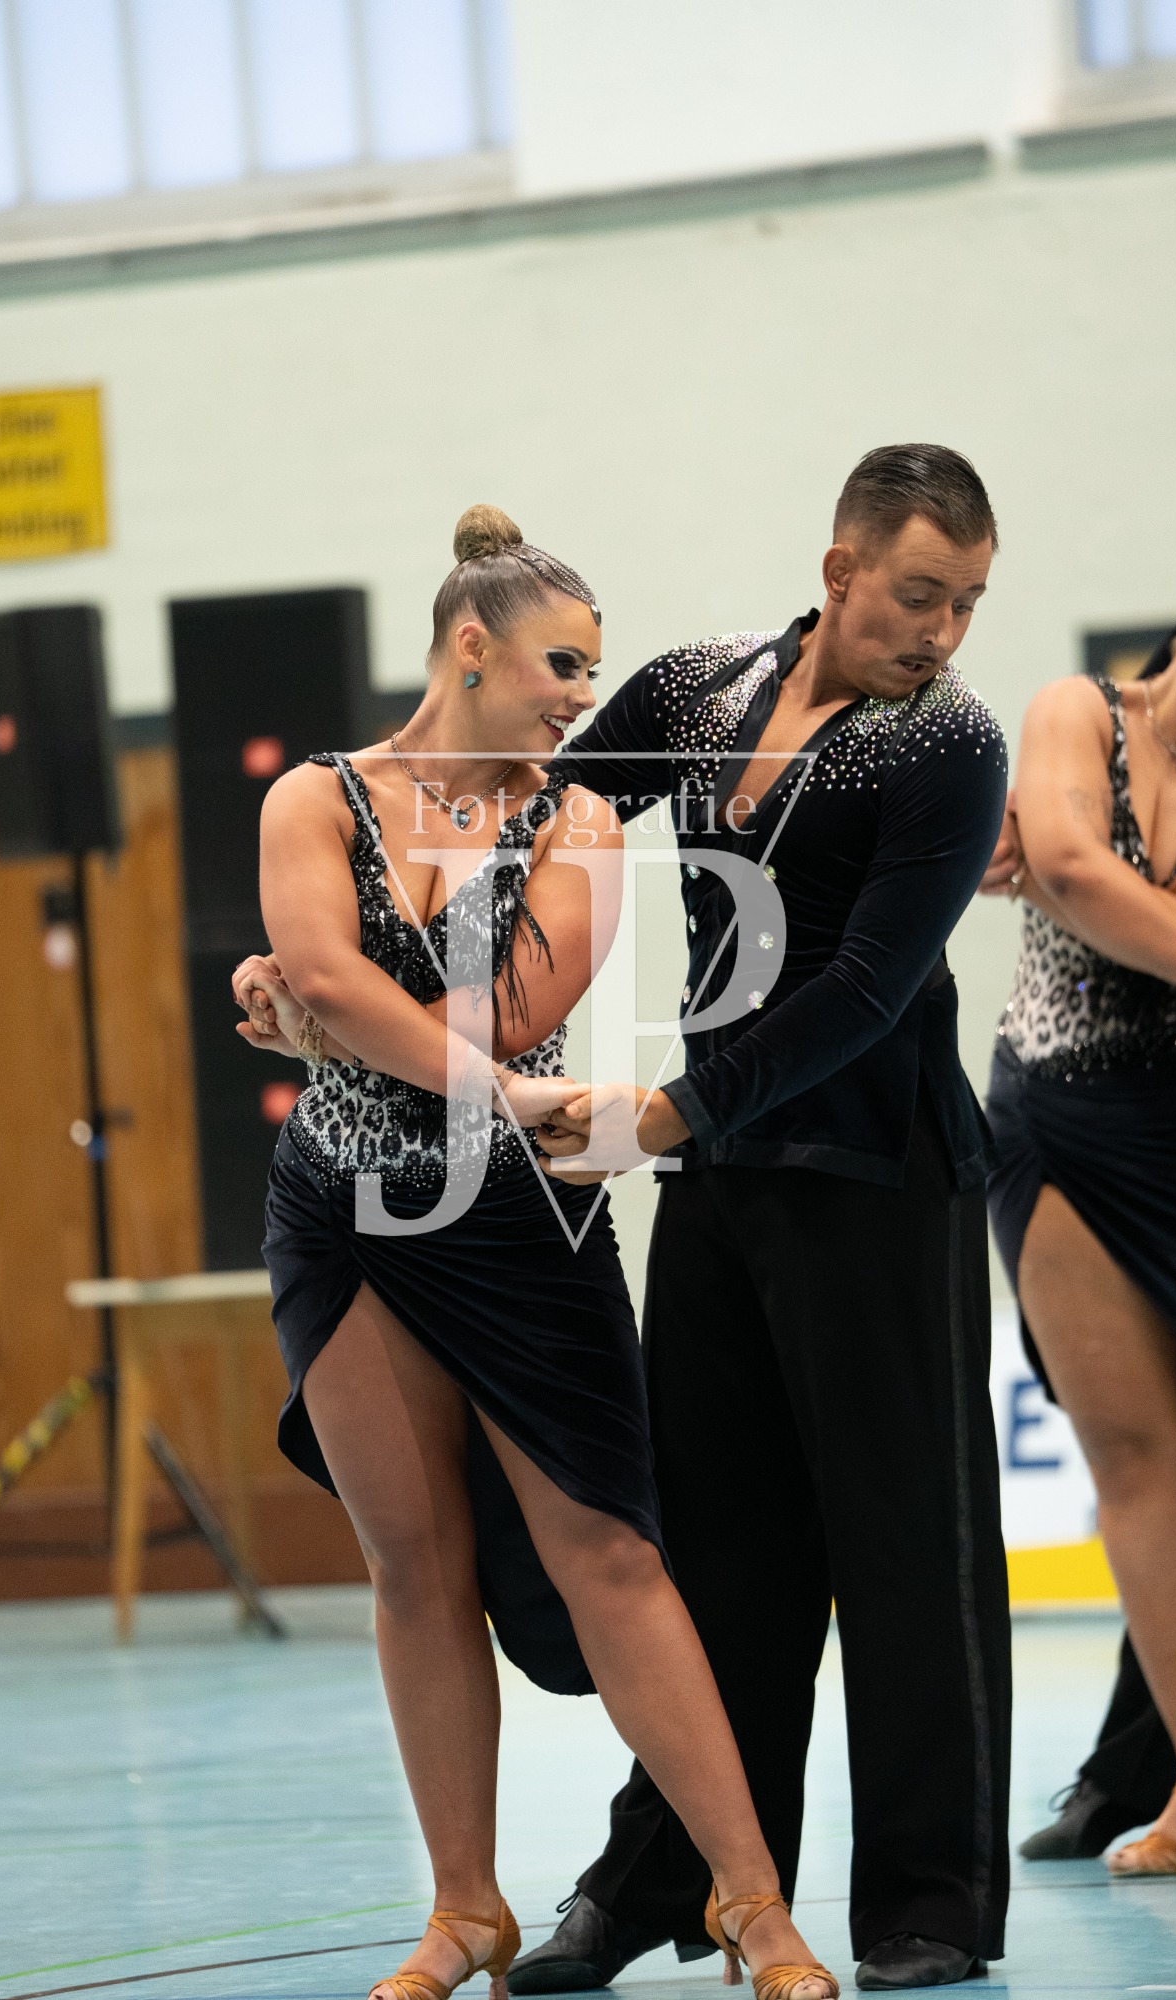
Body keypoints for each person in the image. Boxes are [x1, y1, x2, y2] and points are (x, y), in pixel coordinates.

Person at [235, 506, 838, 2000]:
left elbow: (499, 1012)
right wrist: (329, 1005)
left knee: (610, 1556)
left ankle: (750, 1900)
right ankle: (464, 1911)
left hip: (515, 1220)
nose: (583, 695)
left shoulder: (574, 822)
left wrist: (328, 1012)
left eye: (591, 669)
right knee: (412, 1564)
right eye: (562, 665)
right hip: (343, 1210)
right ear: (469, 646)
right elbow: (325, 979)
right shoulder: (315, 797)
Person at [523, 445, 1012, 1993]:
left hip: (878, 1181)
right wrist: (344, 948)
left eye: (966, 603)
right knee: (714, 1553)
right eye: (918, 594)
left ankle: (929, 1902)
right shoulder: (694, 689)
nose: (940, 631)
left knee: (906, 1550)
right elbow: (534, 807)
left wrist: (663, 1113)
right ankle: (658, 1882)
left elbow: (866, 989)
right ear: (838, 569)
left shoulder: (946, 743)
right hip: (725, 1179)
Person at [976, 541, 1176, 1877]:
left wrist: (1064, 868)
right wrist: (1070, 876)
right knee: (1136, 1460)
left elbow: (1162, 905)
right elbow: (1080, 876)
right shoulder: (1074, 708)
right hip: (1060, 1123)